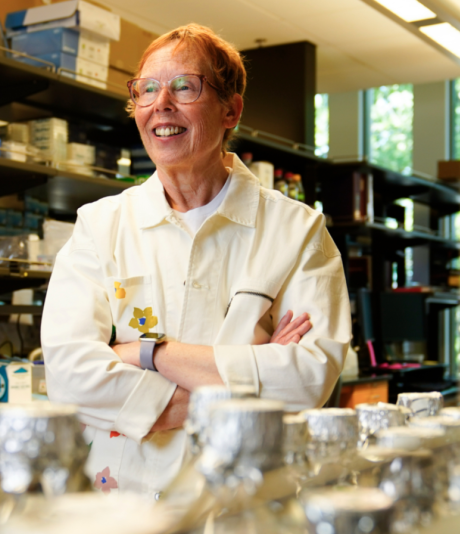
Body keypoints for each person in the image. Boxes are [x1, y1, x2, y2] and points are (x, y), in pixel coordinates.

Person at [40, 24, 351, 497]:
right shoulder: (100, 226)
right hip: (124, 500)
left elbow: (309, 378)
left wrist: (147, 353)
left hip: (242, 497)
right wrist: (257, 369)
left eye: (184, 86)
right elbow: (67, 373)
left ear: (231, 110)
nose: (161, 103)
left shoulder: (298, 231)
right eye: (147, 88)